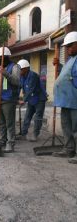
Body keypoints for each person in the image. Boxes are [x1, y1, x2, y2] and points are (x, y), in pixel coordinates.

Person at [51, 31, 77, 164]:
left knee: (76, 128)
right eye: (66, 47)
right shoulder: (70, 60)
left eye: (70, 46)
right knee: (66, 126)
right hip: (66, 100)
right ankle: (69, 149)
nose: (68, 49)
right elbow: (66, 74)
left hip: (75, 100)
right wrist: (58, 65)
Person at [0, 47, 20, 153]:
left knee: (9, 123)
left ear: (6, 57)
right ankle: (1, 140)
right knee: (0, 122)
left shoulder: (15, 67)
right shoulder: (0, 68)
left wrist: (6, 73)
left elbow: (16, 81)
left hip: (9, 98)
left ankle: (10, 143)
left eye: (0, 58)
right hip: (0, 98)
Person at [17, 59, 47, 142]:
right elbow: (19, 87)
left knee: (38, 117)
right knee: (27, 116)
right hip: (31, 99)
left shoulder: (33, 75)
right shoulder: (22, 76)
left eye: (21, 69)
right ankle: (23, 134)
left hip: (40, 98)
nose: (19, 71)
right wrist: (15, 97)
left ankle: (35, 135)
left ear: (26, 68)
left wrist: (24, 100)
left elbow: (30, 89)